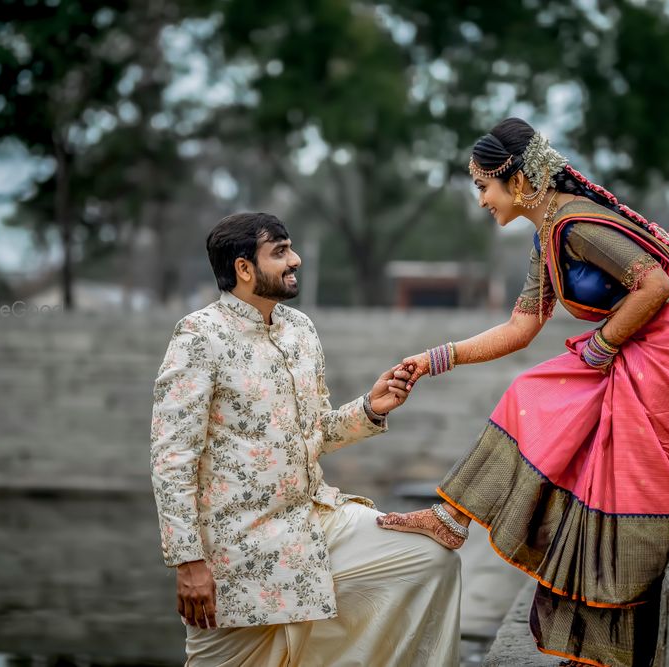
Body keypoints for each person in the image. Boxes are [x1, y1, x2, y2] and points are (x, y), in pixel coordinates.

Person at [378, 118, 669, 667]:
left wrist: (602, 345)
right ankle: (460, 527)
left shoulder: (575, 224)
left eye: (484, 186)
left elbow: (658, 284)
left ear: (519, 181)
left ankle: (457, 524)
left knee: (604, 454)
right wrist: (435, 359)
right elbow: (520, 328)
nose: (481, 201)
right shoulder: (546, 235)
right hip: (638, 336)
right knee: (560, 417)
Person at [150, 212, 461, 667]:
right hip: (238, 556)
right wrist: (188, 562)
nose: (295, 260)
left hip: (314, 526)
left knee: (431, 559)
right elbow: (172, 459)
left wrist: (370, 408)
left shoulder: (300, 331)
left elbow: (313, 432)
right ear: (243, 268)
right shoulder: (200, 336)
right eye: (280, 252)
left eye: (291, 248)